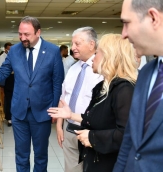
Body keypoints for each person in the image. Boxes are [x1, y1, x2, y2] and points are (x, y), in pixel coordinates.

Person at [0, 16, 64, 172]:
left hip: (42, 111)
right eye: (20, 34)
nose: (22, 38)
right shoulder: (15, 51)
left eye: (27, 34)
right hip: (19, 113)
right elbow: (2, 73)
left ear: (38, 32)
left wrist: (54, 109)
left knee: (40, 156)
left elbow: (57, 82)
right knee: (21, 155)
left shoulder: (52, 51)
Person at [49, 33, 138, 172]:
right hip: (95, 156)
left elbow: (127, 134)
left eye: (97, 53)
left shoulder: (124, 90)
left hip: (110, 162)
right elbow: (93, 118)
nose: (93, 59)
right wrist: (70, 115)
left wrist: (92, 137)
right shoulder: (102, 86)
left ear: (109, 57)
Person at [113, 0, 163, 171]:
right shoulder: (146, 73)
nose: (123, 35)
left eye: (126, 23)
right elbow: (129, 141)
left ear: (153, 18)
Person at [55, 26, 103, 172]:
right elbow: (63, 98)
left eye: (77, 44)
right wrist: (59, 126)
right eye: (72, 44)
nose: (73, 48)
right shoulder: (73, 69)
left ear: (91, 44)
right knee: (71, 169)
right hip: (69, 129)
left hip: (91, 131)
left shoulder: (103, 69)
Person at [0, 42, 13, 126]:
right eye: (9, 49)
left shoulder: (14, 56)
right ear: (5, 49)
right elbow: (1, 70)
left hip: (14, 80)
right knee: (8, 99)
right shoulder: (2, 57)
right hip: (7, 80)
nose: (10, 51)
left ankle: (13, 117)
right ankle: (9, 118)